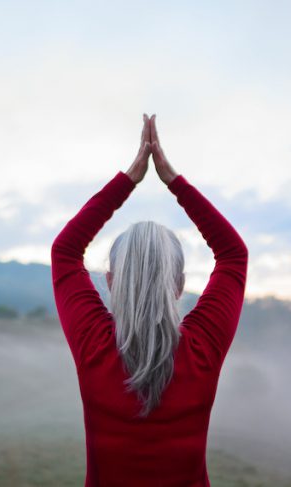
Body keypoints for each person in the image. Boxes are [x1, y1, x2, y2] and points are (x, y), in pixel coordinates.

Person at [51, 113, 248, 486]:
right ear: (179, 286)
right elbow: (233, 254)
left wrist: (128, 180)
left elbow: (65, 251)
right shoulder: (202, 347)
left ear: (110, 282)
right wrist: (174, 181)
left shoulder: (94, 344)